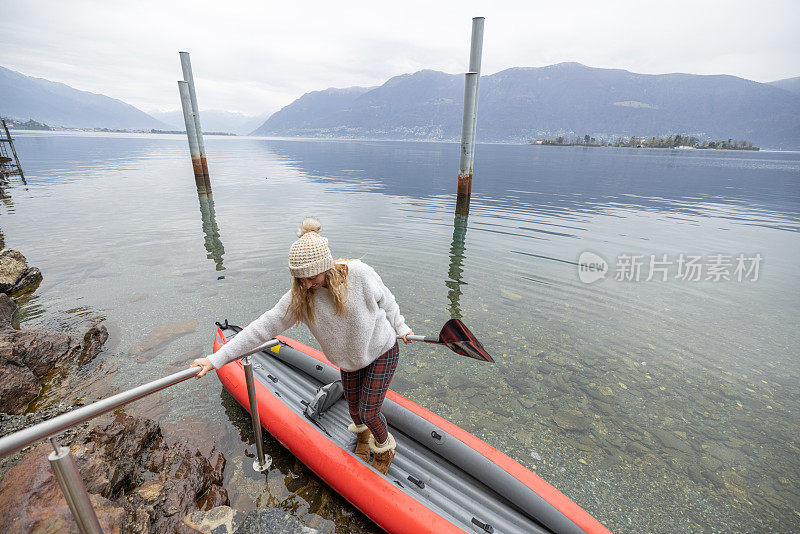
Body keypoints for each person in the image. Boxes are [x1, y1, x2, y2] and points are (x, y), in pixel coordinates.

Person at [191, 218, 413, 475]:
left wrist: (402, 327)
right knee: (353, 407)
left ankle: (384, 449)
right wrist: (215, 359)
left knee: (368, 410)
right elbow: (262, 327)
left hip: (381, 351)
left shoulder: (360, 275)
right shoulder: (300, 297)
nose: (306, 284)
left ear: (326, 266)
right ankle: (363, 437)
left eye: (311, 277)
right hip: (350, 361)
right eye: (300, 279)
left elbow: (387, 300)